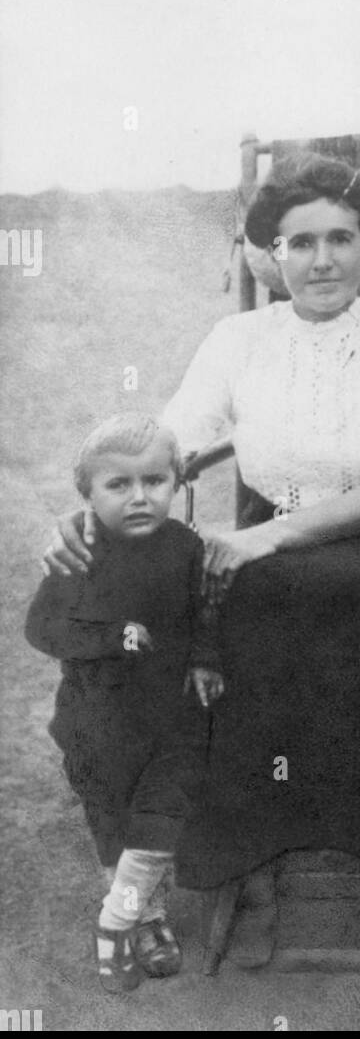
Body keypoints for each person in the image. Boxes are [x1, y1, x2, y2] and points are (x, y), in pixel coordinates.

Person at [43, 152, 360, 967]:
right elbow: (167, 446)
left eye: (342, 240)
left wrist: (262, 538)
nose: (322, 261)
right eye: (300, 242)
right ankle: (247, 845)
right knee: (207, 616)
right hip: (269, 547)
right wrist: (95, 511)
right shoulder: (238, 337)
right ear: (269, 255)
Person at [25, 413, 223, 993]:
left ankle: (121, 923)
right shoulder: (80, 553)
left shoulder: (185, 546)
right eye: (118, 485)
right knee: (115, 825)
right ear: (86, 494)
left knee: (158, 820)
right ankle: (146, 916)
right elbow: (43, 629)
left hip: (172, 720)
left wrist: (205, 659)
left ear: (177, 483)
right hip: (98, 724)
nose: (140, 497)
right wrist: (113, 637)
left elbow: (204, 610)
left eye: (156, 481)